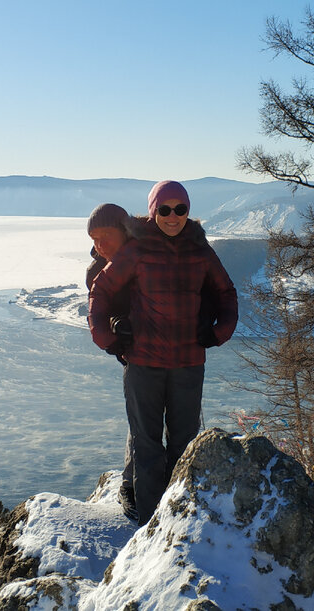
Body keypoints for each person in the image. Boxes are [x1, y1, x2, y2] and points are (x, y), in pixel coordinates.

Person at [89, 180, 238, 525]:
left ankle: (180, 517)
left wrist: (218, 332)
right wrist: (106, 337)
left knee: (185, 443)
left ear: (188, 211)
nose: (173, 216)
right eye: (165, 209)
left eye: (180, 209)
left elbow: (226, 292)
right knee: (147, 444)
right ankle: (151, 524)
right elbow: (102, 289)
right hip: (144, 362)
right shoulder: (138, 250)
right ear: (153, 210)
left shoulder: (200, 251)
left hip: (188, 362)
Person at [84, 202, 138, 521]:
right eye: (94, 238)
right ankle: (130, 485)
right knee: (141, 421)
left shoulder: (147, 255)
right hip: (134, 354)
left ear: (124, 231)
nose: (100, 244)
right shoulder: (97, 273)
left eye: (106, 235)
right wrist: (117, 342)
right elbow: (100, 321)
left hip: (170, 348)